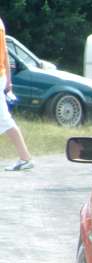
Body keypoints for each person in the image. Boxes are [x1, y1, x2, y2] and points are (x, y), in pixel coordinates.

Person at [0, 17, 33, 171]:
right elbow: (5, 52)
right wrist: (8, 80)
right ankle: (25, 158)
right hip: (1, 75)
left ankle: (25, 158)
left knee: (4, 119)